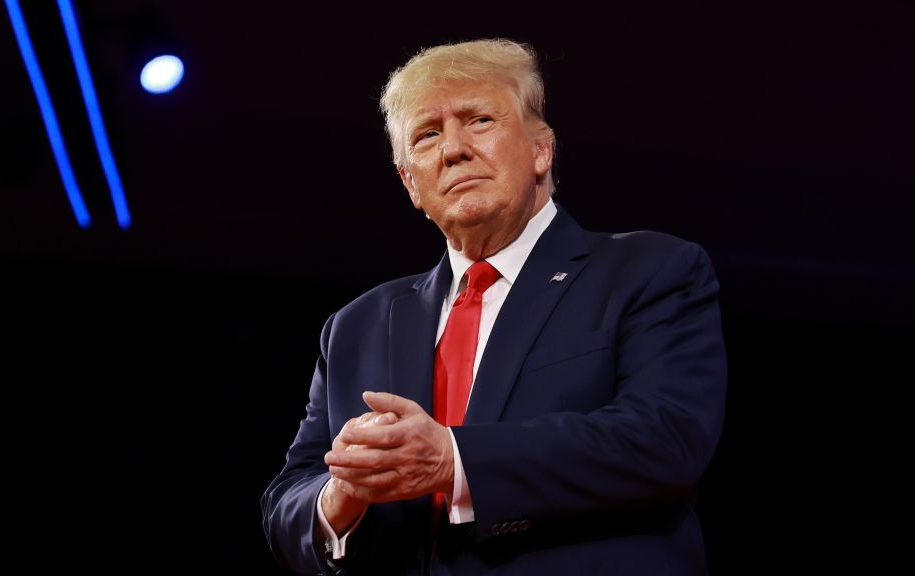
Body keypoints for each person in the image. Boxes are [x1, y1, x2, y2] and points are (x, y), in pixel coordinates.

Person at [261, 39, 726, 575]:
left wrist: (452, 459)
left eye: (479, 120)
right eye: (428, 134)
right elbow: (287, 503)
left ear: (540, 150)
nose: (453, 149)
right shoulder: (357, 325)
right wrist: (340, 496)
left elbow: (665, 439)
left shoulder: (648, 271)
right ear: (411, 183)